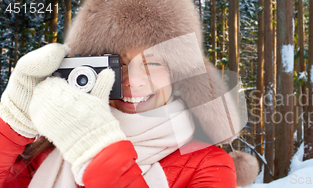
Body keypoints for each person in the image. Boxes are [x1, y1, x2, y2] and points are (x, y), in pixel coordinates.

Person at [0, 0, 259, 187]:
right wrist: (13, 123)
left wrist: (99, 155)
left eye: (153, 64)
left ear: (176, 74)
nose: (133, 81)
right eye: (117, 64)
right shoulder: (53, 148)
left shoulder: (209, 165)